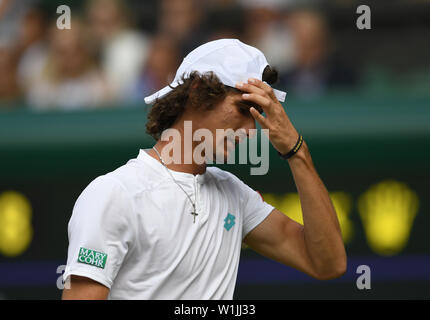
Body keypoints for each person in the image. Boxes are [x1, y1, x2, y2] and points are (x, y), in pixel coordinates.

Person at [62, 39, 346, 299]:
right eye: (242, 109)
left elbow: (328, 263)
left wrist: (297, 151)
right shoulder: (114, 193)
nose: (251, 130)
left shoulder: (235, 194)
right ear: (198, 92)